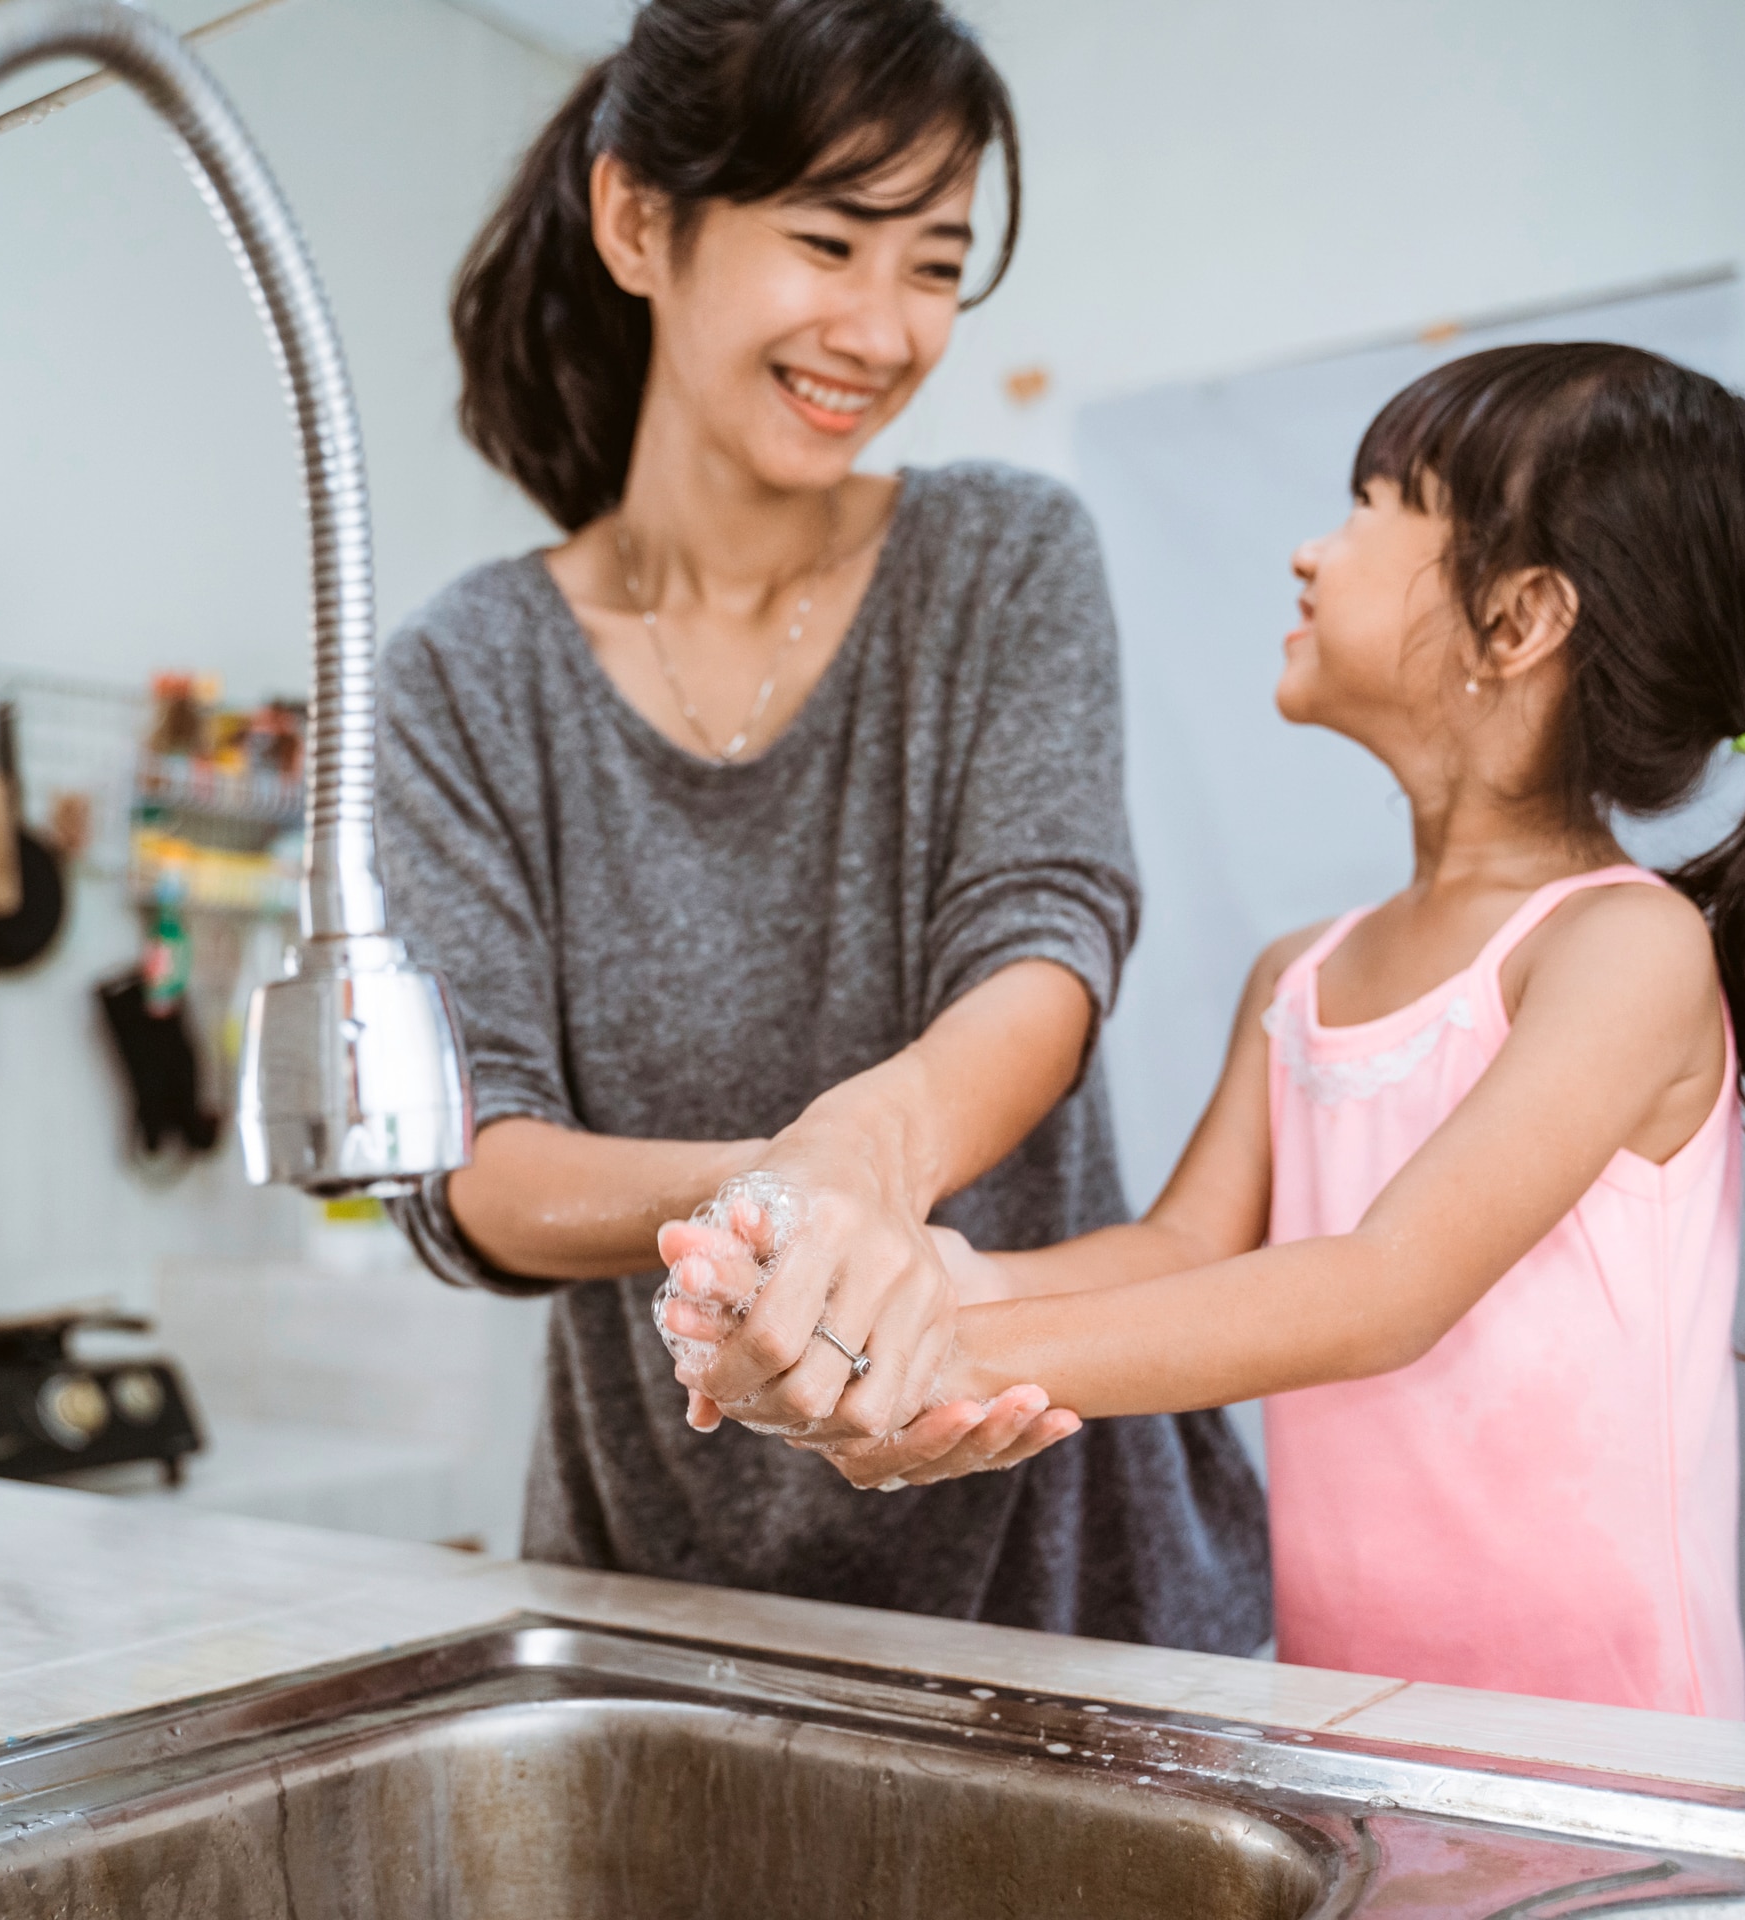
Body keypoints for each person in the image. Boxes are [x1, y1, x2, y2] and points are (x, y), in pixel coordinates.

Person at [663, 343, 1745, 1716]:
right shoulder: (1298, 975)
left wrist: (936, 1360)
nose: (1313, 552)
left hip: (1606, 1760)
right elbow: (1175, 1253)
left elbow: (1380, 1288)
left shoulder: (1622, 950)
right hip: (1348, 1734)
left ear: (1519, 619)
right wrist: (905, 1290)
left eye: (1377, 504)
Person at [376, 0, 1269, 1653]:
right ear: (641, 219)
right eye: (830, 240)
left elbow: (1043, 954)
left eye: (933, 263)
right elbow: (481, 1168)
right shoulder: (465, 674)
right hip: (653, 1599)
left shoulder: (1004, 558)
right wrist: (804, 1204)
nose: (883, 325)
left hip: (1060, 1570)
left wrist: (860, 1166)